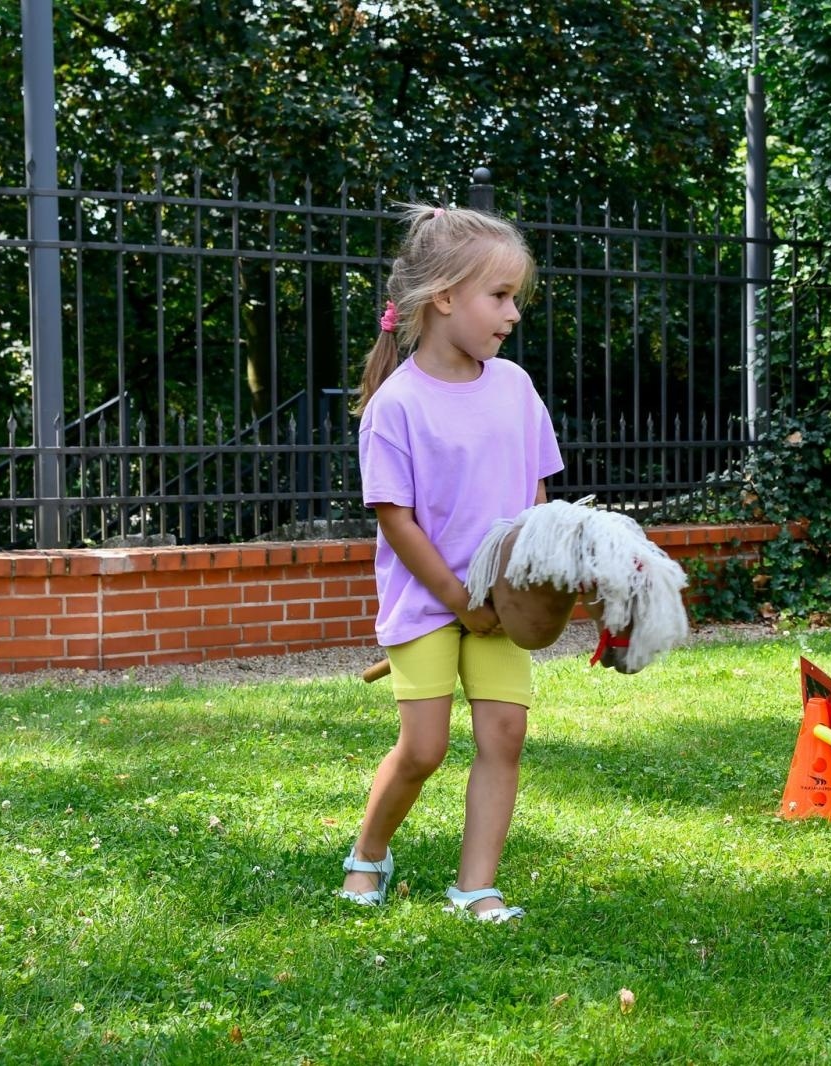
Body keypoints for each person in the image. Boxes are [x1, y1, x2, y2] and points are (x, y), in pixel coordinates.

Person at [338, 204, 563, 922]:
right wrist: (459, 600)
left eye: (515, 298)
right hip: (428, 603)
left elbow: (536, 496)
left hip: (500, 606)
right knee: (425, 748)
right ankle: (368, 854)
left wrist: (520, 590)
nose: (513, 314)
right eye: (499, 296)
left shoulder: (515, 387)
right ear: (442, 297)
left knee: (504, 736)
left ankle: (476, 888)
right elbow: (395, 520)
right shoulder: (396, 405)